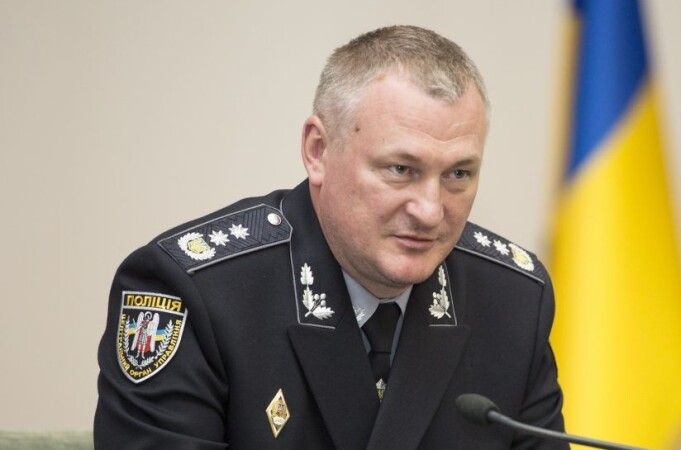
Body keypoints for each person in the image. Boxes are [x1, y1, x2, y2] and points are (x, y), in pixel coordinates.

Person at [95, 25, 567, 449]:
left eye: (458, 174)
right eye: (401, 169)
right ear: (318, 151)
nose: (430, 210)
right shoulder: (197, 292)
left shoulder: (513, 300)